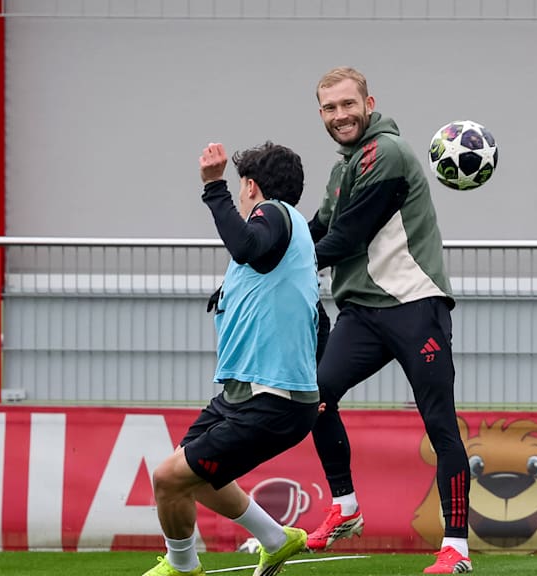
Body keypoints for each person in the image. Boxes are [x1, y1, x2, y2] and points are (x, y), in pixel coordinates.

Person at [303, 66, 472, 575]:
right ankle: (346, 507)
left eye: (348, 105)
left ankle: (457, 549)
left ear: (369, 103)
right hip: (362, 313)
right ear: (321, 115)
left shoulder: (388, 152)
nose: (340, 115)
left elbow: (346, 237)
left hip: (415, 305)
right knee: (315, 397)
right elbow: (314, 230)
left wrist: (280, 264)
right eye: (330, 108)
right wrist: (259, 250)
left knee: (440, 425)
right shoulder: (344, 167)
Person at [143, 141, 320, 576]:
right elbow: (317, 318)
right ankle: (277, 539)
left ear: (251, 187)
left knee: (169, 479)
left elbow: (244, 246)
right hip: (244, 395)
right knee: (193, 478)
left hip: (270, 399)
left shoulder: (273, 213)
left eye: (241, 188)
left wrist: (212, 186)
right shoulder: (292, 239)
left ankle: (183, 568)